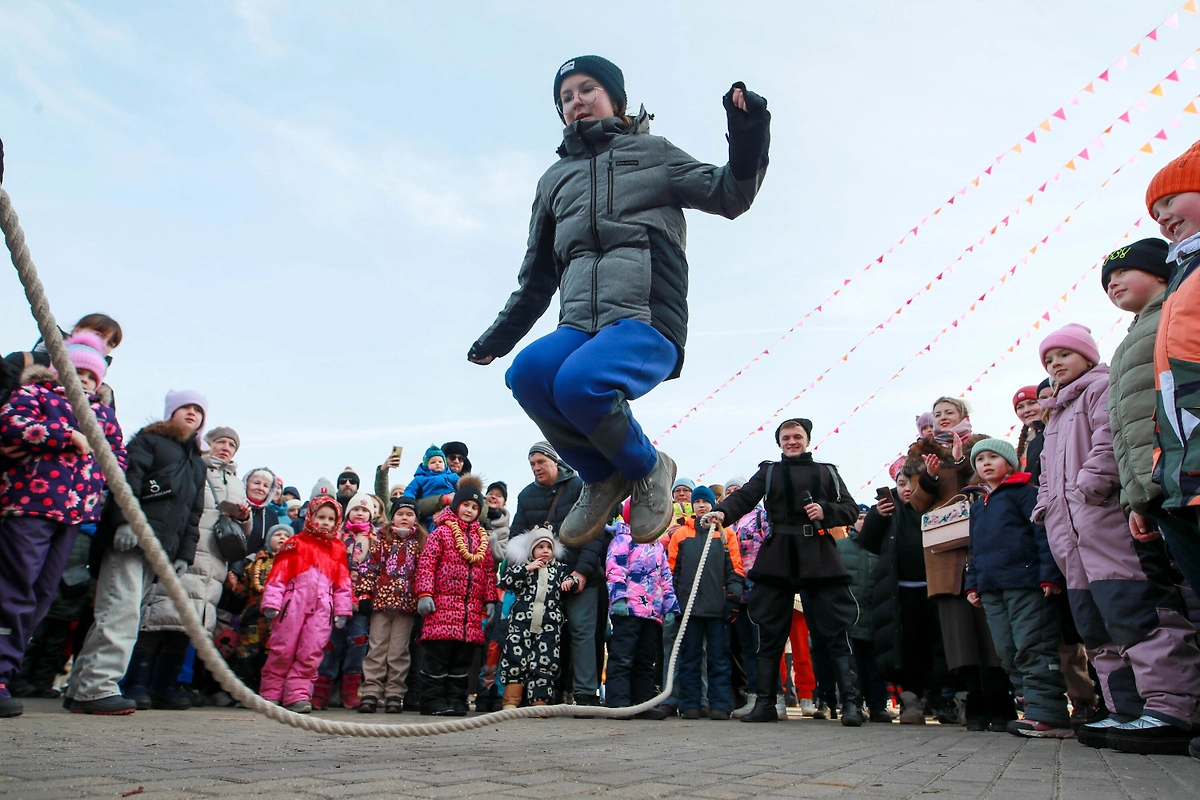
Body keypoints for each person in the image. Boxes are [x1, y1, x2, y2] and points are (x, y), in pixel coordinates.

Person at [469, 55, 771, 549]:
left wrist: (748, 128)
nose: (576, 102)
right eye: (566, 97)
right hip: (580, 325)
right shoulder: (554, 181)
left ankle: (649, 467)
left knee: (578, 383)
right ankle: (601, 476)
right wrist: (498, 338)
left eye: (586, 89)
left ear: (615, 98)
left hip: (645, 316)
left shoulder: (652, 153)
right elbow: (537, 275)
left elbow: (729, 193)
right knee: (526, 374)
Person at [1035, 323, 1200, 755]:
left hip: (1104, 523)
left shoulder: (1099, 388)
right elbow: (1046, 471)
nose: (1056, 365)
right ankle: (1125, 707)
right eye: (1049, 361)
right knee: (1096, 625)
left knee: (1135, 611)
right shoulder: (1055, 413)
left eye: (1064, 355)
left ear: (1087, 357)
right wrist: (1045, 505)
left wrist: (1090, 483)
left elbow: (1113, 438)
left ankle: (1171, 707)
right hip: (1069, 537)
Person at [707, 418, 864, 726]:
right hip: (778, 554)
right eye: (786, 437)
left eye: (797, 436)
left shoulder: (827, 471)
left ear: (808, 440)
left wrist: (826, 511)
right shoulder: (769, 471)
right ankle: (766, 703)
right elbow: (744, 498)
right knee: (770, 631)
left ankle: (850, 704)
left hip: (818, 554)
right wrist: (721, 513)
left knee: (834, 629)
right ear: (779, 442)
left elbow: (850, 508)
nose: (792, 441)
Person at [0, 336, 126, 718]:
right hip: (30, 505)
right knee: (13, 588)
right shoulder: (36, 394)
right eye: (78, 371)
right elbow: (9, 426)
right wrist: (64, 435)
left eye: (92, 374)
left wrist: (107, 472)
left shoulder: (104, 415)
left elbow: (118, 457)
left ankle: (8, 671)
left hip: (74, 515)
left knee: (41, 595)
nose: (85, 380)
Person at [65, 390, 207, 715]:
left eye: (199, 411)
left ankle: (81, 687)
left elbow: (193, 512)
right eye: (186, 407)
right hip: (130, 541)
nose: (192, 413)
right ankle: (98, 686)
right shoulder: (148, 441)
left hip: (162, 551)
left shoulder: (196, 464)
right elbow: (127, 481)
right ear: (171, 411)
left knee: (121, 611)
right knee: (121, 612)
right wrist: (124, 522)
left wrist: (184, 553)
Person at [125, 425, 250, 711]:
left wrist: (245, 517)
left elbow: (244, 530)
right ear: (207, 443)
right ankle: (136, 682)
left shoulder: (236, 481)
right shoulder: (191, 465)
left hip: (215, 560)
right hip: (186, 547)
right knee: (158, 615)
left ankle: (166, 685)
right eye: (220, 441)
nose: (226, 447)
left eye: (232, 444)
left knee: (189, 625)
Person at [906, 396, 1009, 731]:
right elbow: (918, 503)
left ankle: (1001, 701)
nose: (943, 418)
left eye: (949, 412)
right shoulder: (921, 454)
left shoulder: (981, 445)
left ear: (964, 415)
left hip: (983, 546)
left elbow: (994, 482)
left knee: (991, 630)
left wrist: (964, 459)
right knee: (959, 634)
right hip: (946, 554)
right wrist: (932, 477)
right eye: (937, 414)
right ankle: (974, 704)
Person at [964, 439, 1070, 739]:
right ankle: (1031, 705)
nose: (985, 463)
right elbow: (975, 549)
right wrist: (973, 584)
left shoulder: (1027, 495)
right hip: (992, 589)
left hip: (1025, 584)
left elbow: (1042, 535)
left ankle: (1050, 715)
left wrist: (1049, 576)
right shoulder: (979, 506)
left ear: (1009, 462)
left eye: (993, 457)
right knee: (1007, 651)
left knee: (1032, 645)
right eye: (979, 459)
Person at [510, 442, 606, 712]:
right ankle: (547, 691)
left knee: (581, 631)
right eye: (531, 464)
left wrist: (582, 571)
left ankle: (586, 694)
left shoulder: (581, 487)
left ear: (555, 461)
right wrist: (527, 567)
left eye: (540, 461)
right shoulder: (526, 495)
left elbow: (594, 530)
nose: (536, 468)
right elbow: (516, 536)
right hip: (543, 579)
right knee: (545, 634)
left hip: (579, 571)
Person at [857, 458, 941, 724]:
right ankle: (912, 700)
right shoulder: (888, 510)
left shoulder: (935, 505)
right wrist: (876, 516)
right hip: (900, 591)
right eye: (901, 483)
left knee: (938, 646)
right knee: (907, 647)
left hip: (936, 588)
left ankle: (942, 701)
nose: (907, 489)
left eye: (913, 483)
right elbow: (867, 541)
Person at [258, 496, 353, 713]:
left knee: (311, 651)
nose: (326, 523)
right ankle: (271, 692)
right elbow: (278, 575)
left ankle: (298, 694)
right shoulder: (296, 543)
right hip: (291, 606)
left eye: (331, 519)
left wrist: (342, 610)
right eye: (321, 517)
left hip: (322, 610)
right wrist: (273, 601)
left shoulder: (337, 550)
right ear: (310, 517)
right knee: (282, 648)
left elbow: (343, 584)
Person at [415, 476, 498, 716]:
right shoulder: (441, 533)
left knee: (462, 661)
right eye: (465, 505)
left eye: (475, 507)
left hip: (469, 614)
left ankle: (456, 698)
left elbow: (488, 573)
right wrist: (424, 593)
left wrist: (490, 599)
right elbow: (427, 565)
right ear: (456, 506)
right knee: (438, 658)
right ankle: (432, 700)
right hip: (441, 609)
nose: (469, 510)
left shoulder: (481, 538)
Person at [669, 485, 743, 720]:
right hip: (688, 607)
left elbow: (735, 569)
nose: (701, 505)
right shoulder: (681, 535)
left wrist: (732, 597)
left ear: (713, 505)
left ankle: (721, 703)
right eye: (698, 501)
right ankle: (689, 703)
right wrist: (675, 603)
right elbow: (673, 571)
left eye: (706, 501)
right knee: (689, 657)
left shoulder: (725, 534)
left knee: (719, 657)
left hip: (717, 606)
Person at [357, 497, 424, 714]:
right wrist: (365, 594)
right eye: (400, 514)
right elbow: (369, 568)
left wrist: (424, 596)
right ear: (393, 516)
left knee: (398, 651)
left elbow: (424, 572)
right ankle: (370, 691)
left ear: (416, 519)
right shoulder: (381, 540)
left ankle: (395, 692)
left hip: (406, 606)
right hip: (381, 603)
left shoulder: (420, 543)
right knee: (376, 647)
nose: (404, 518)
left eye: (409, 514)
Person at [605, 516, 677, 719]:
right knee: (623, 655)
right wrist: (618, 597)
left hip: (652, 612)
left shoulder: (658, 546)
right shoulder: (623, 539)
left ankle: (644, 701)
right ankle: (618, 701)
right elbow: (614, 568)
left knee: (646, 658)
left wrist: (670, 606)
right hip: (628, 609)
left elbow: (666, 577)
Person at [314, 492, 375, 710]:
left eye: (365, 510)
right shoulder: (336, 536)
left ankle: (350, 689)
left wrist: (368, 594)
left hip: (361, 600)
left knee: (358, 641)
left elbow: (376, 570)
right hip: (333, 598)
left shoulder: (374, 540)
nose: (360, 513)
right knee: (330, 643)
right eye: (356, 509)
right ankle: (322, 689)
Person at [498, 530, 571, 709]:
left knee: (544, 662)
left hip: (548, 624)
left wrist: (571, 582)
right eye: (540, 547)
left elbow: (571, 579)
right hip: (521, 623)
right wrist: (525, 569)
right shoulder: (524, 567)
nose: (545, 551)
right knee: (516, 658)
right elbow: (506, 581)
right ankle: (511, 700)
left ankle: (539, 700)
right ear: (531, 550)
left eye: (548, 547)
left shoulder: (559, 569)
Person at [3, 313, 122, 409]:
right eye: (98, 335)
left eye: (110, 344)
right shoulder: (26, 361)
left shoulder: (103, 392)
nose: (103, 344)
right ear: (77, 331)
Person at [837, 507, 888, 723]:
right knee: (851, 665)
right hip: (849, 617)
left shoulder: (883, 546)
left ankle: (878, 706)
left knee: (875, 666)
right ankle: (853, 705)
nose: (863, 522)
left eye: (867, 518)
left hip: (877, 617)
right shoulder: (840, 547)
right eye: (859, 517)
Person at [229, 523, 292, 693]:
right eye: (277, 535)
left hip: (279, 622)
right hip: (253, 617)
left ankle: (267, 691)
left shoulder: (292, 563)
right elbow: (244, 588)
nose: (282, 539)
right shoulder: (255, 562)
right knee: (246, 655)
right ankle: (244, 693)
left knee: (271, 656)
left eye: (286, 536)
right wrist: (234, 587)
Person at [484, 481, 512, 561]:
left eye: (498, 496)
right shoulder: (473, 517)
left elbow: (500, 556)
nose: (493, 497)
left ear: (504, 504)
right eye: (490, 493)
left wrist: (490, 535)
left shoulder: (505, 530)